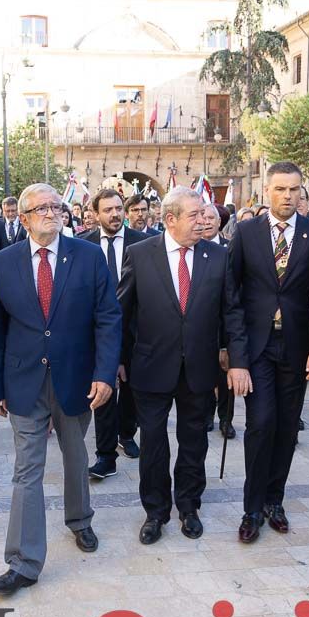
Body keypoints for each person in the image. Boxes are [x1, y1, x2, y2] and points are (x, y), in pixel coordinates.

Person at [0, 183, 121, 594]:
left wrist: (105, 373)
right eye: (40, 208)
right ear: (22, 217)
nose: (50, 212)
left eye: (55, 206)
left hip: (76, 378)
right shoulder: (3, 262)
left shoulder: (89, 256)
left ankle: (80, 521)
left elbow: (108, 318)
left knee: (76, 456)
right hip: (23, 380)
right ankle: (23, 561)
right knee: (27, 470)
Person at [118, 187, 250, 544]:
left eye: (205, 215)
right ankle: (155, 511)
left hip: (199, 368)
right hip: (150, 366)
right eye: (195, 215)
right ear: (171, 219)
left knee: (194, 441)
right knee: (154, 442)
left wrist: (237, 360)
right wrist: (115, 361)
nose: (203, 221)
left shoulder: (217, 256)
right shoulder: (140, 254)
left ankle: (189, 505)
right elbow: (121, 312)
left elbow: (232, 313)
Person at [229, 164, 309, 541]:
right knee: (260, 425)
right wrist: (236, 358)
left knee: (287, 428)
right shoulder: (245, 233)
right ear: (266, 191)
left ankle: (275, 499)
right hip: (256, 348)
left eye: (294, 189)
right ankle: (252, 508)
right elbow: (233, 298)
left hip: (296, 347)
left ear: (301, 192)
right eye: (280, 189)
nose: (287, 196)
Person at [78, 189, 146, 479]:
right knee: (103, 389)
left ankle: (127, 433)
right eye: (108, 210)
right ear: (95, 214)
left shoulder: (144, 244)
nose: (115, 214)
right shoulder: (82, 246)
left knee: (132, 390)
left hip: (136, 334)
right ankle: (105, 455)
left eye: (119, 208)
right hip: (97, 335)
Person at [201, 205, 237, 440]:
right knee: (203, 376)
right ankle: (206, 416)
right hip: (200, 329)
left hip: (223, 327)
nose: (205, 221)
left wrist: (226, 343)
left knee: (225, 379)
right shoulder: (190, 247)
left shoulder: (230, 249)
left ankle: (226, 419)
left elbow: (233, 296)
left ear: (219, 222)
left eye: (210, 217)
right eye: (201, 216)